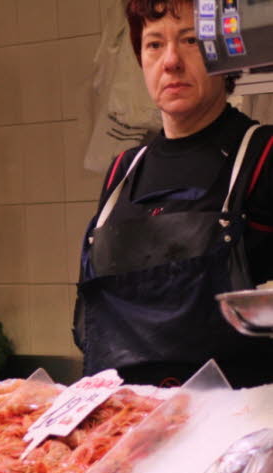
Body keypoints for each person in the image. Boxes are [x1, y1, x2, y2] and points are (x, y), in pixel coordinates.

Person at [73, 0, 273, 388]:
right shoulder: (122, 172)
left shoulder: (264, 154)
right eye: (153, 44)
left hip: (236, 426)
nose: (171, 61)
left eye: (191, 40)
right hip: (127, 423)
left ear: (223, 54)